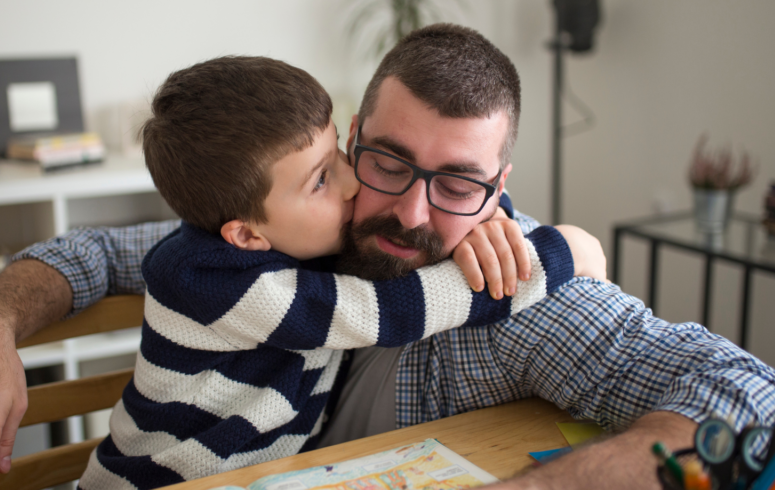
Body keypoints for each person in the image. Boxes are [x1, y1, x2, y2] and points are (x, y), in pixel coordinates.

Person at [0, 24, 775, 490]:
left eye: (459, 183)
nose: (408, 211)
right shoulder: (298, 223)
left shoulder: (503, 285)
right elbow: (98, 254)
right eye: (387, 160)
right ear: (351, 140)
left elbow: (751, 402)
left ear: (502, 183)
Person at [78, 56, 596, 488]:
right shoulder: (220, 282)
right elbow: (393, 311)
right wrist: (560, 251)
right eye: (321, 179)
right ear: (245, 236)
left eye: (339, 156)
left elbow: (453, 184)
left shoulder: (288, 233)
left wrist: (492, 211)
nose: (352, 184)